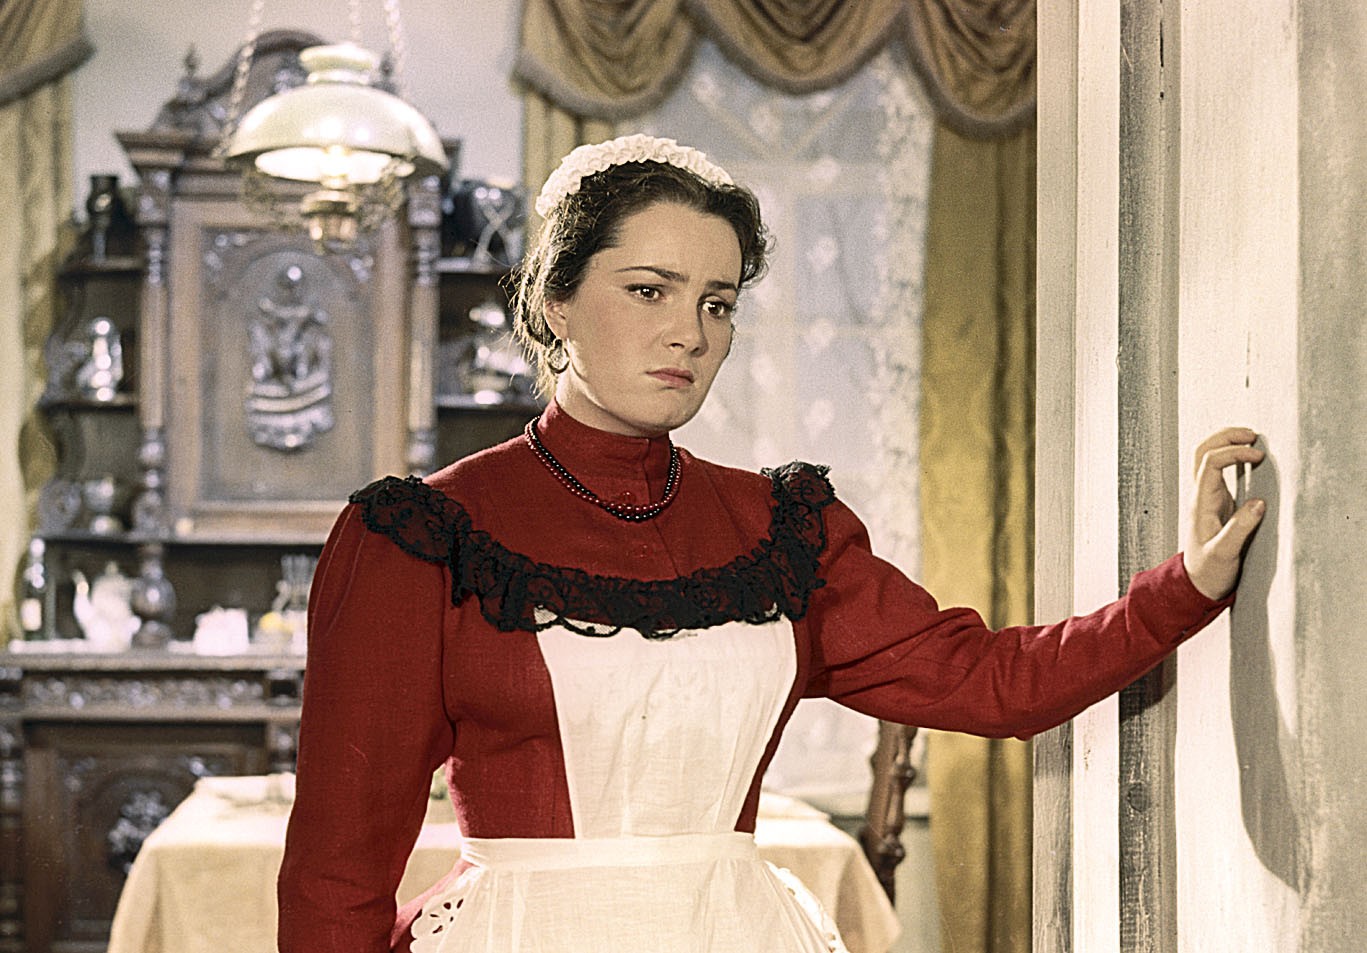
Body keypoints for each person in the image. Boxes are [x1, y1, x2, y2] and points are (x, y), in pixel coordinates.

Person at [276, 134, 1265, 953]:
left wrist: (1186, 583)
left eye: (716, 303)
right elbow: (335, 872)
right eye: (649, 290)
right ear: (553, 302)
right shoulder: (422, 536)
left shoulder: (781, 530)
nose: (690, 333)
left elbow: (993, 683)